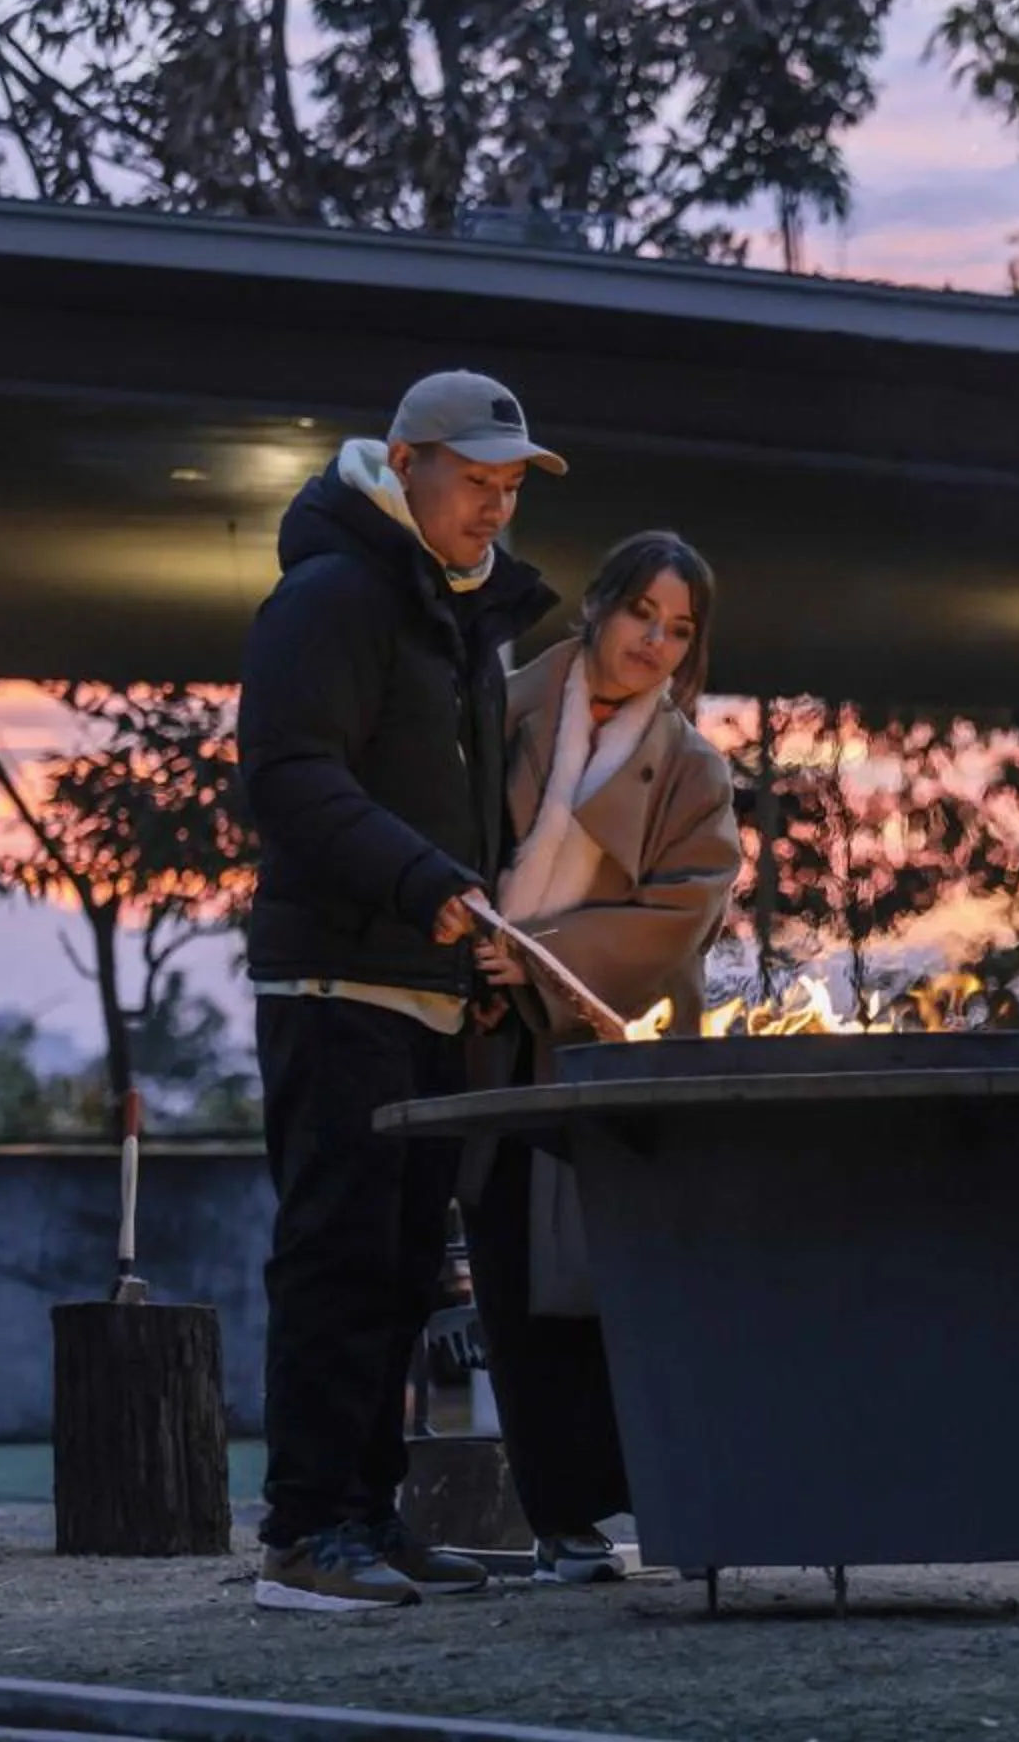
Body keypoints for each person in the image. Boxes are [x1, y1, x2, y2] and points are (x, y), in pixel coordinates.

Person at [237, 370, 565, 1612]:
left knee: (399, 1269)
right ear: (407, 462)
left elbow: (452, 801)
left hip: (424, 985)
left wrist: (473, 927)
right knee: (334, 1258)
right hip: (334, 982)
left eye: (509, 486)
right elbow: (285, 772)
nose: (495, 507)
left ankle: (367, 1514)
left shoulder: (457, 614)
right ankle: (306, 1531)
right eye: (476, 480)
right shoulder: (331, 596)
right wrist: (427, 880)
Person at [465, 531, 739, 1586]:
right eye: (644, 615)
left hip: (597, 1041)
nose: (655, 643)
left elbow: (682, 912)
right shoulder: (496, 703)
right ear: (601, 605)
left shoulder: (694, 768)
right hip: (483, 1031)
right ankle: (559, 1516)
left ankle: (658, 1499)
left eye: (679, 630)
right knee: (508, 1279)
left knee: (611, 1282)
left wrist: (533, 955)